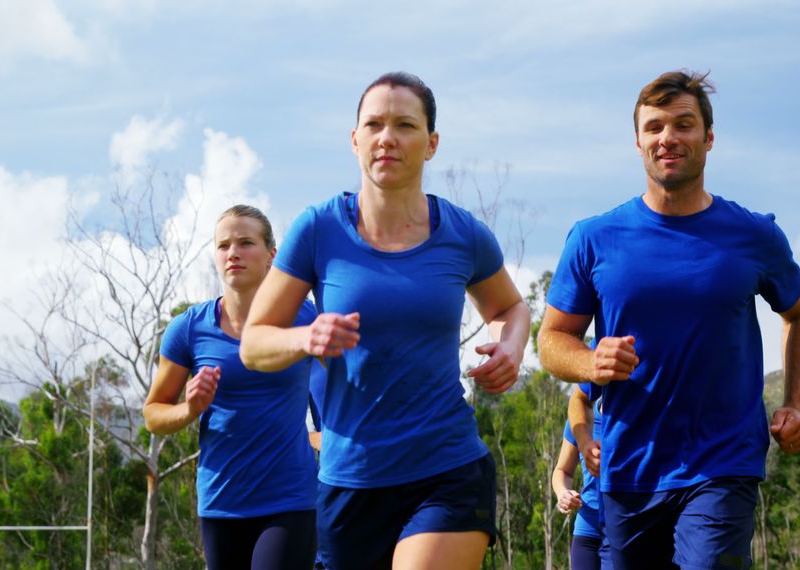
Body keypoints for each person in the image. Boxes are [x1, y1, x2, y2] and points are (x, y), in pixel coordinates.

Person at [239, 71, 531, 570]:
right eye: (373, 124)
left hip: (447, 466)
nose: (387, 137)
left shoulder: (463, 235)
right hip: (351, 481)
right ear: (355, 140)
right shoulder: (318, 229)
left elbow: (509, 308)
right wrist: (306, 337)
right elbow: (254, 344)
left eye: (404, 125)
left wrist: (510, 346)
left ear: (432, 143)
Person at [538, 70, 800, 569]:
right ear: (638, 142)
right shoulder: (593, 238)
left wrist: (796, 404)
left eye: (683, 124)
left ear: (708, 138)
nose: (668, 137)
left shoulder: (753, 235)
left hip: (723, 461)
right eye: (654, 127)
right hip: (628, 467)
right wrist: (589, 362)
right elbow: (551, 341)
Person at [143, 204, 320, 570]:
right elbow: (153, 415)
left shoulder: (305, 320)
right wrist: (190, 409)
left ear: (272, 255)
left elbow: (337, 401)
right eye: (223, 245)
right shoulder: (188, 329)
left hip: (290, 499)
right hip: (222, 501)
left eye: (245, 242)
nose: (233, 253)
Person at [552, 384, 612, 570]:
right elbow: (562, 471)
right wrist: (563, 493)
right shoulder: (580, 418)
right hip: (588, 528)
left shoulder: (639, 420)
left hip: (624, 526)